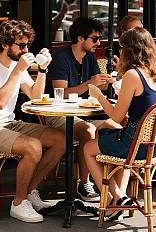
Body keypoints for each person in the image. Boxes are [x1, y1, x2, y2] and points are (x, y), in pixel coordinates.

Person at [0, 20, 66, 223]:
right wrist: (17, 71)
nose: (26, 50)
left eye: (27, 45)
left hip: (8, 124)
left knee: (60, 139)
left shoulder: (16, 64)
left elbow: (35, 96)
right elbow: (0, 102)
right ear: (5, 44)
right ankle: (19, 204)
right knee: (33, 146)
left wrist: (43, 70)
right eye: (21, 45)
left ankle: (29, 192)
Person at [84, 28, 156, 221]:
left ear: (129, 50)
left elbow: (116, 116)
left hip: (135, 144)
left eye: (121, 48)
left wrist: (98, 96)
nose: (119, 52)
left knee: (88, 148)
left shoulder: (133, 74)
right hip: (155, 146)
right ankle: (119, 200)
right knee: (105, 129)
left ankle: (119, 197)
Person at [47, 17, 115, 202]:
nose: (98, 43)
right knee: (88, 131)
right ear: (80, 38)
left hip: (86, 112)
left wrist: (111, 80)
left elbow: (94, 88)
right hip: (60, 112)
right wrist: (90, 83)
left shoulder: (90, 57)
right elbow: (61, 92)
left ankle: (114, 184)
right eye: (95, 39)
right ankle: (84, 183)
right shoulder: (61, 58)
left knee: (116, 126)